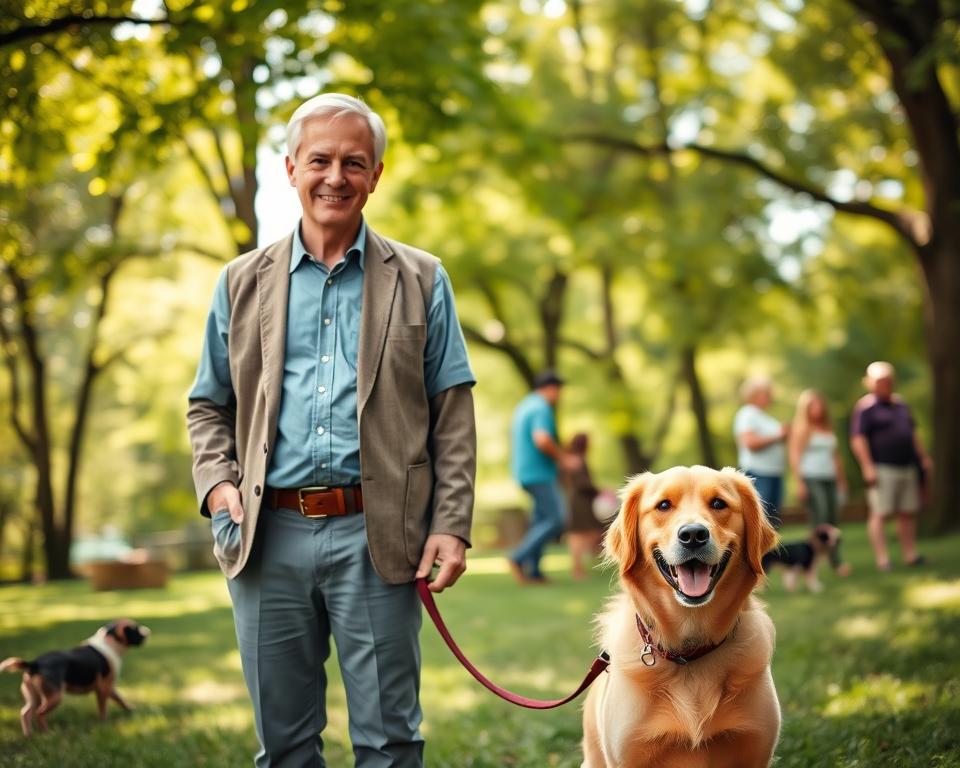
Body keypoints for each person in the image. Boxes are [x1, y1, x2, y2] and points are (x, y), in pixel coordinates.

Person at [186, 92, 477, 768]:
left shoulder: (422, 278)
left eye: (354, 162)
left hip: (378, 536)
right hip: (265, 538)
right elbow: (207, 405)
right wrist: (219, 487)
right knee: (283, 745)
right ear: (290, 169)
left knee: (389, 740)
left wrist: (452, 523)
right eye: (319, 160)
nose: (335, 177)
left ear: (376, 174)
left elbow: (452, 415)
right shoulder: (238, 283)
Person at [850, 361, 932, 571]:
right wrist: (867, 466)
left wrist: (922, 457)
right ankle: (883, 559)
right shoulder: (865, 408)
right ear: (870, 383)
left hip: (907, 466)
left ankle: (910, 555)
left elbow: (912, 434)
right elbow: (858, 439)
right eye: (879, 380)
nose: (884, 384)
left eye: (887, 380)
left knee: (907, 512)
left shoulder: (901, 405)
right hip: (882, 467)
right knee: (880, 512)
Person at [508, 369, 574, 584]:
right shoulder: (541, 408)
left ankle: (535, 572)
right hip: (539, 474)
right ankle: (518, 558)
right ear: (550, 388)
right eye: (558, 390)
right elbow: (542, 439)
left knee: (540, 520)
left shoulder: (526, 405)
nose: (559, 395)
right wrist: (564, 459)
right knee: (557, 519)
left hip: (525, 472)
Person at [788, 389, 851, 576]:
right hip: (811, 478)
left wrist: (841, 480)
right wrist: (799, 482)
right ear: (806, 409)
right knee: (820, 519)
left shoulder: (828, 429)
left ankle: (834, 560)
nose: (818, 409)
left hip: (830, 478)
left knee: (833, 520)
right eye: (813, 406)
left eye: (820, 405)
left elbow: (836, 456)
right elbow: (795, 456)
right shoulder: (801, 429)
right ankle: (811, 560)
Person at [733, 375, 790, 528]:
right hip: (759, 473)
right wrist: (779, 435)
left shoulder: (763, 416)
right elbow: (750, 442)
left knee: (772, 519)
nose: (770, 397)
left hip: (773, 473)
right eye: (766, 393)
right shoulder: (747, 414)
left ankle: (769, 552)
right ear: (754, 394)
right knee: (761, 519)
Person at [561, 432, 606, 580]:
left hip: (581, 501)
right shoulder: (577, 460)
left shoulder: (573, 459)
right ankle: (577, 569)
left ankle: (582, 566)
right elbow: (582, 483)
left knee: (588, 533)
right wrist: (599, 490)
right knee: (579, 535)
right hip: (581, 502)